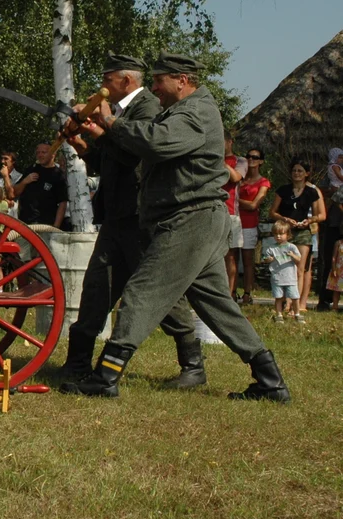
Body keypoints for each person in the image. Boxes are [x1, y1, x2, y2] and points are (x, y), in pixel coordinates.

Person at [60, 52, 289, 402]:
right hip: (188, 218)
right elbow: (148, 150)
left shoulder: (196, 111)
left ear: (181, 79)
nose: (154, 88)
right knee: (216, 304)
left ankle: (105, 377)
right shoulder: (181, 111)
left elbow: (155, 142)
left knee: (140, 293)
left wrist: (110, 122)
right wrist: (99, 134)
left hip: (190, 218)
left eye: (158, 80)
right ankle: (270, 380)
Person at [61, 53, 202, 386]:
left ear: (125, 80)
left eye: (107, 79)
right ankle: (77, 362)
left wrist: (98, 127)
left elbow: (132, 154)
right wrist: (80, 143)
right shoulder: (122, 111)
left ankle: (193, 364)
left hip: (140, 218)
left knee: (157, 294)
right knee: (97, 287)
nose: (102, 86)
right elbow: (107, 159)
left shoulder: (147, 109)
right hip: (115, 217)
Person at [268, 158, 325, 312]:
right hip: (286, 232)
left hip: (304, 232)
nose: (296, 173)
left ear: (306, 173)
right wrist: (284, 219)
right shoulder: (283, 190)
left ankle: (295, 305)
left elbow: (321, 215)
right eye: (294, 170)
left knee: (300, 269)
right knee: (285, 266)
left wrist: (309, 220)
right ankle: (284, 303)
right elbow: (272, 212)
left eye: (300, 171)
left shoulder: (312, 192)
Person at [237, 148, 271, 303]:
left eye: (255, 157)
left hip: (249, 224)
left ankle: (247, 293)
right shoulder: (239, 178)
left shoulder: (263, 182)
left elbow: (254, 205)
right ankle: (231, 291)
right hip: (235, 220)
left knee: (247, 259)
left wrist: (234, 201)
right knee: (231, 259)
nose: (251, 159)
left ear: (261, 161)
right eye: (248, 156)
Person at [14, 143, 67, 228]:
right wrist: (24, 181)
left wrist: (56, 227)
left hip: (45, 225)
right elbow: (15, 193)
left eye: (44, 152)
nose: (40, 155)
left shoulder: (58, 175)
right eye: (38, 152)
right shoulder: (31, 169)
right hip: (24, 223)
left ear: (53, 154)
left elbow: (62, 203)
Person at [316, 148, 343, 311]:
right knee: (330, 261)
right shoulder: (330, 171)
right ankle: (325, 299)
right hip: (334, 223)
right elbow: (322, 190)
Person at [222, 133, 248, 301]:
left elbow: (236, 177)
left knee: (231, 255)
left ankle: (231, 293)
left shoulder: (241, 161)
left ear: (230, 141)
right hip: (212, 212)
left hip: (231, 213)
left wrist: (219, 160)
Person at [263, 221, 303, 323]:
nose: (278, 236)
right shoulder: (271, 248)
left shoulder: (291, 247)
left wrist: (292, 255)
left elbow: (299, 259)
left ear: (288, 235)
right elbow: (264, 258)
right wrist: (269, 259)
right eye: (276, 234)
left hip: (290, 277)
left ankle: (297, 314)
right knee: (278, 297)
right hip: (277, 277)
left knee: (295, 297)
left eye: (281, 234)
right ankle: (279, 315)